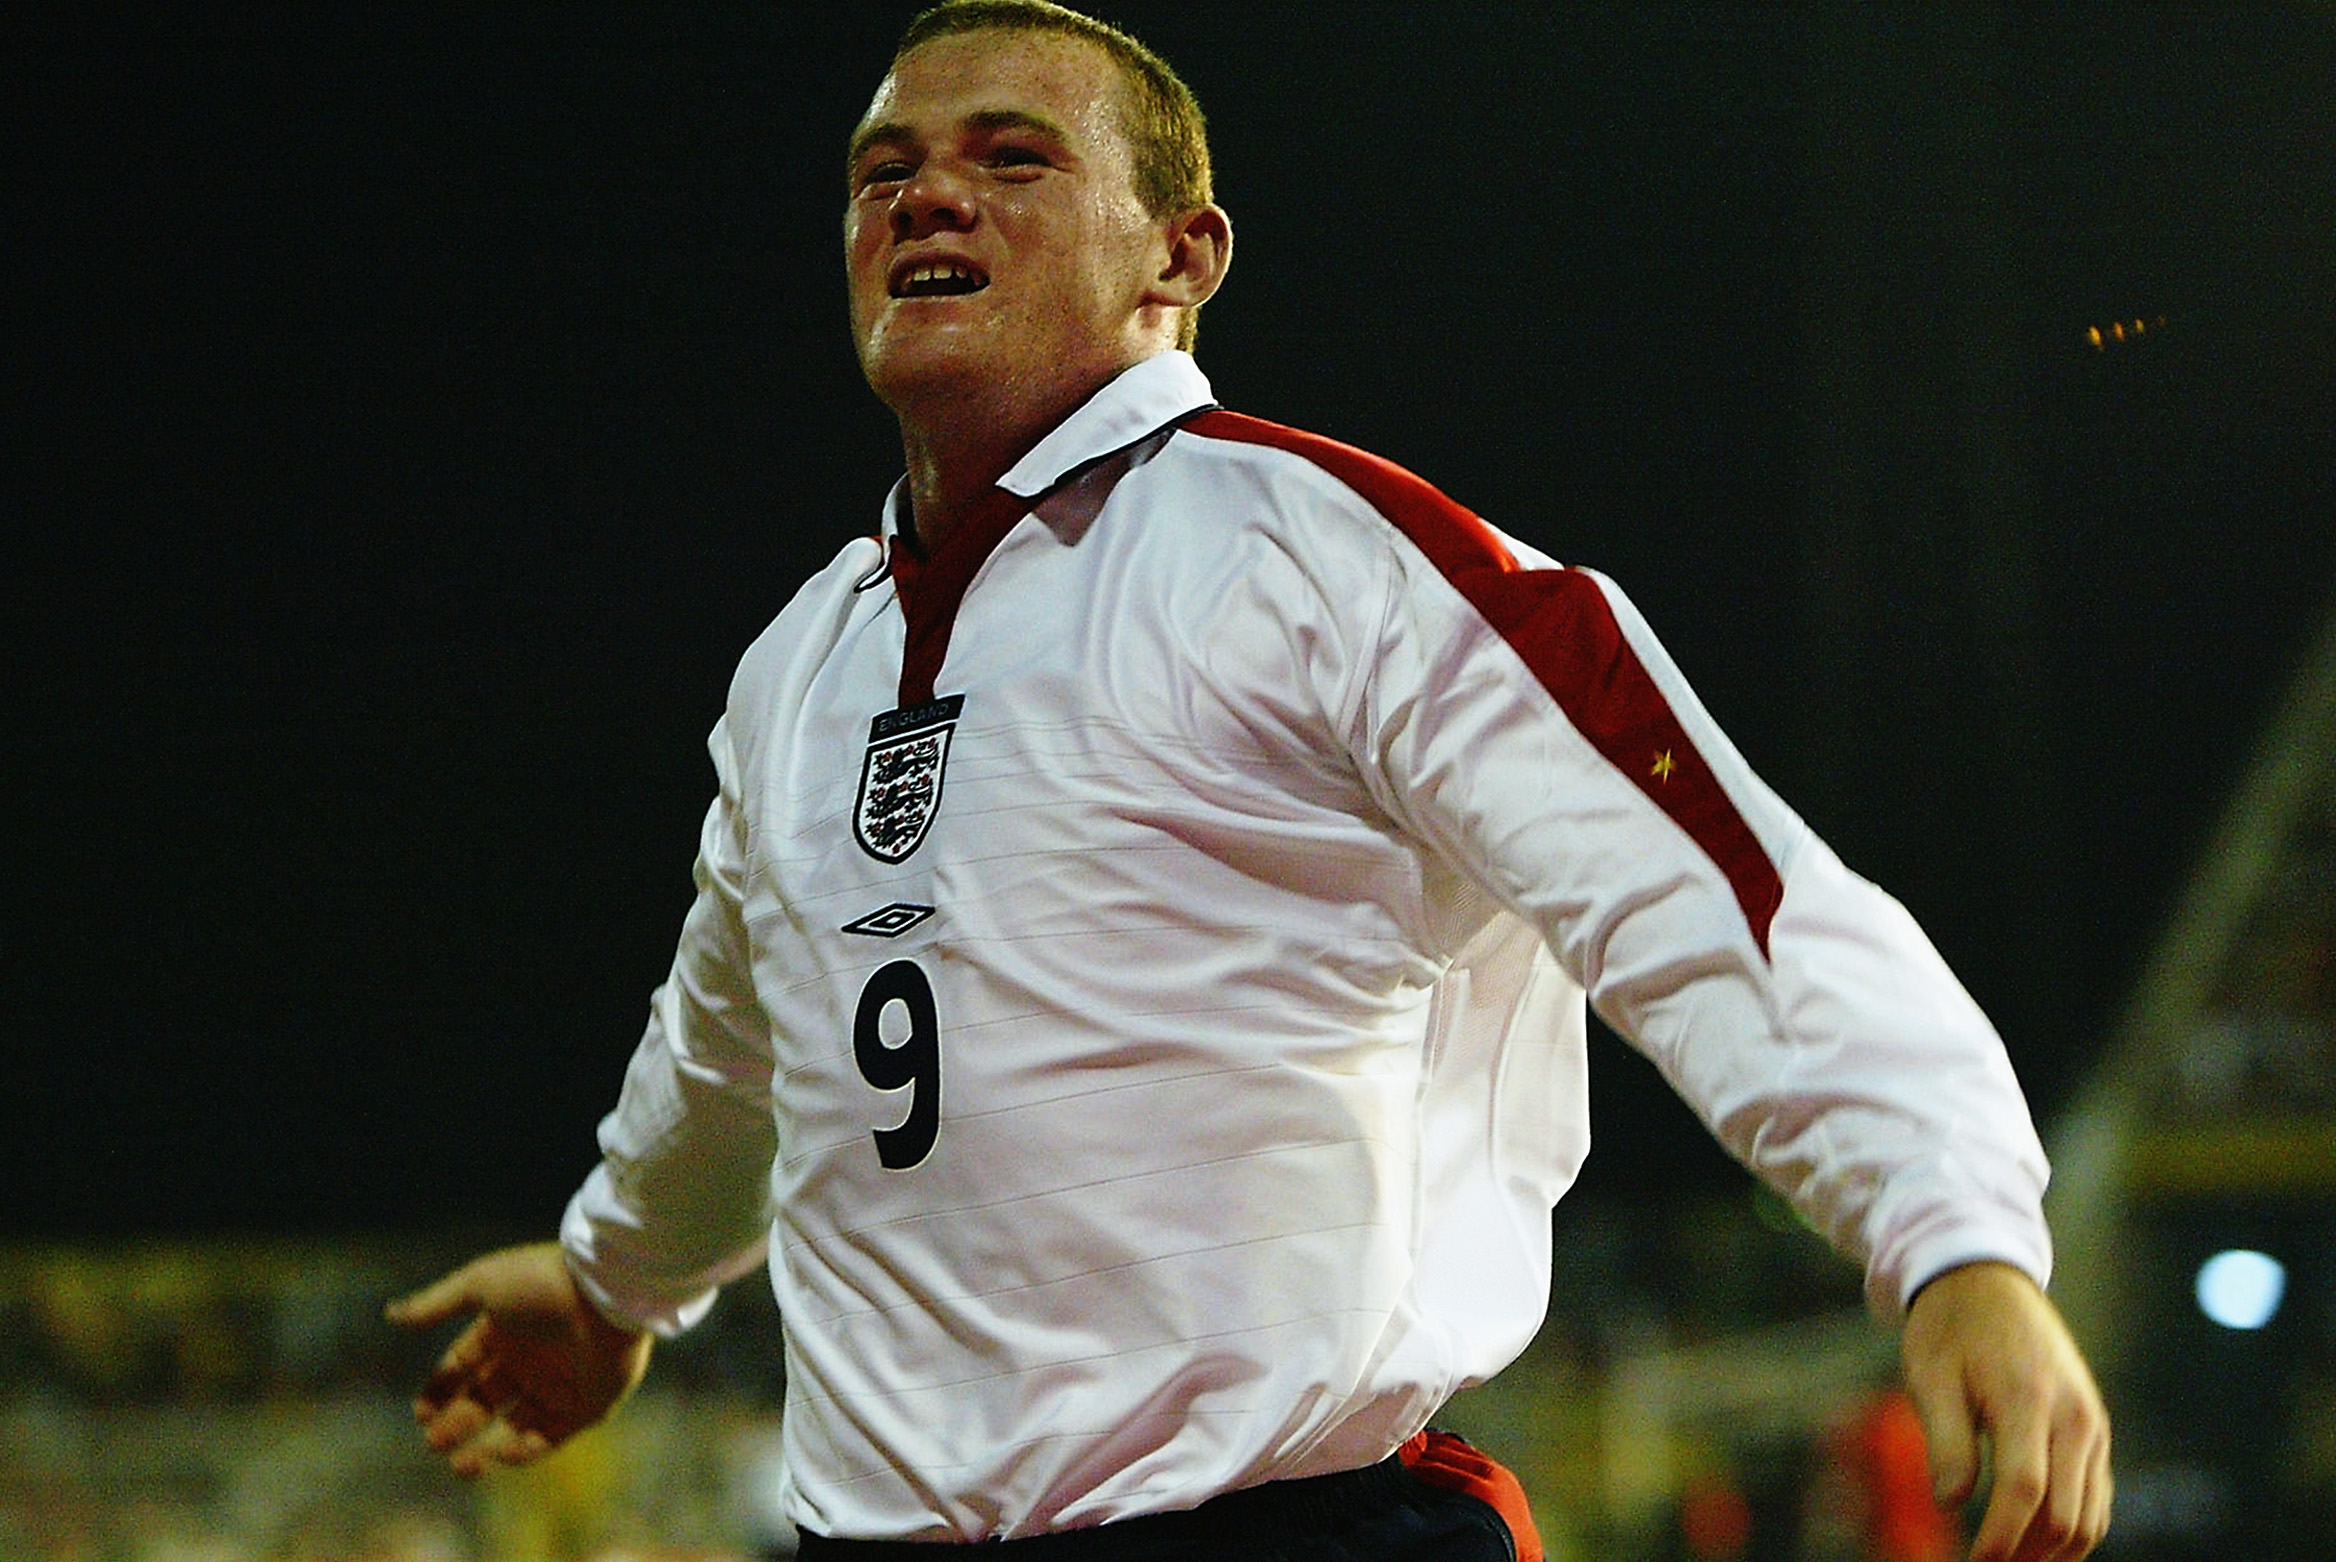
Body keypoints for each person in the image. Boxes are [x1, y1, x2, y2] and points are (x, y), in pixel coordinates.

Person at [387, 4, 2113, 1559]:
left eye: (1013, 157)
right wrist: (613, 1283)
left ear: (1180, 258)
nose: (927, 198)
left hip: (1290, 1532)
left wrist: (1949, 1226)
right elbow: (734, 1040)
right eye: (884, 170)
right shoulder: (798, 666)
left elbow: (1695, 874)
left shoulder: (1320, 553)